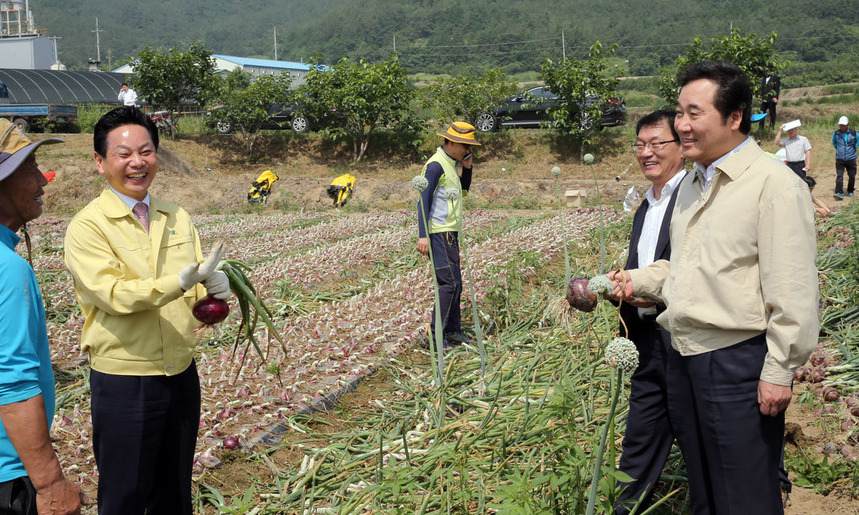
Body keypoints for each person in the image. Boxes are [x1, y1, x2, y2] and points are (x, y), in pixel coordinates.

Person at [611, 61, 818, 514]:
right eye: (680, 113)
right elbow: (683, 268)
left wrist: (779, 370)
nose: (682, 125)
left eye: (694, 112)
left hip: (737, 364)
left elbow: (794, 290)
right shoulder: (692, 184)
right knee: (706, 492)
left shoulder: (773, 185)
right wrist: (628, 280)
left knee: (745, 496)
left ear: (735, 117)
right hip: (684, 359)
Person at [63, 107, 230, 515]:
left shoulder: (177, 216)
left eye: (146, 151)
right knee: (125, 496)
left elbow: (192, 293)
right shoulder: (89, 226)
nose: (137, 163)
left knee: (174, 493)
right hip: (125, 378)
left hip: (179, 371)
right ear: (100, 162)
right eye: (123, 154)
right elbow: (113, 295)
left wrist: (214, 294)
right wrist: (180, 283)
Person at [613, 110, 693, 514]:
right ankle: (628, 507)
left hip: (682, 340)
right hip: (646, 340)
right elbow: (643, 265)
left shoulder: (691, 198)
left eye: (657, 144)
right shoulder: (647, 203)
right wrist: (619, 290)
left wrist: (651, 292)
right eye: (641, 145)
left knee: (700, 436)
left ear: (681, 147)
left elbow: (689, 269)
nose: (646, 153)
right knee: (640, 436)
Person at [0, 118, 81, 514]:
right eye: (29, 169)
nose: (42, 181)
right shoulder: (7, 270)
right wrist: (50, 482)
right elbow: (11, 384)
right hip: (7, 476)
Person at [416, 121, 479, 348]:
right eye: (464, 145)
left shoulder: (451, 164)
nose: (467, 149)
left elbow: (463, 190)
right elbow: (423, 200)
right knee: (448, 284)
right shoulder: (435, 166)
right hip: (438, 233)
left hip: (450, 232)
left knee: (457, 284)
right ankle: (435, 337)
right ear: (451, 142)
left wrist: (468, 168)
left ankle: (453, 330)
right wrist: (423, 235)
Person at [832, 115, 857, 200]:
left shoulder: (854, 133)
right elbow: (834, 143)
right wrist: (840, 151)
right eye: (840, 125)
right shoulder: (836, 134)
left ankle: (850, 190)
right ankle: (839, 192)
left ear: (847, 124)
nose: (842, 127)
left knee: (852, 175)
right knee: (839, 176)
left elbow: (857, 142)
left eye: (843, 125)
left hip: (851, 159)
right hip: (840, 159)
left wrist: (852, 149)